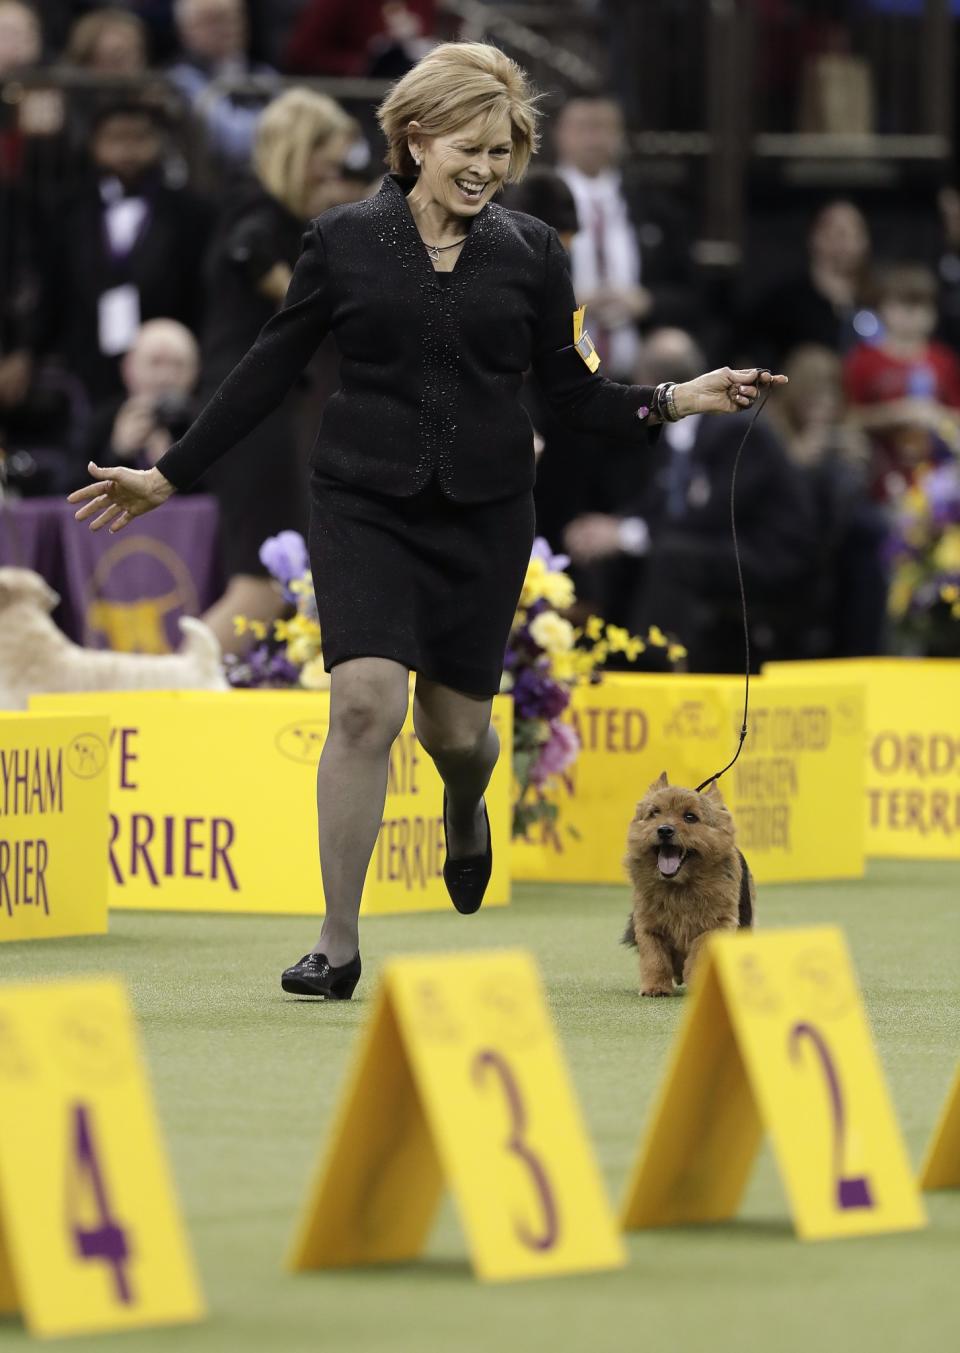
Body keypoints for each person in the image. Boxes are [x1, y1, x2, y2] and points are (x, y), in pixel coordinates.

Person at [69, 42, 784, 1001]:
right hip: (362, 502)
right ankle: (336, 942)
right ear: (417, 138)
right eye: (471, 148)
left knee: (458, 734)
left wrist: (681, 397)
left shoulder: (533, 252)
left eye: (505, 151)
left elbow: (577, 399)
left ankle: (464, 799)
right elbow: (267, 370)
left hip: (485, 516)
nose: (488, 168)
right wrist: (168, 473)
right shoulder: (341, 240)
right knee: (366, 704)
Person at [195, 87, 360, 656]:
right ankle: (167, 696)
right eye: (328, 158)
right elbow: (250, 255)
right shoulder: (254, 205)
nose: (334, 173)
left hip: (273, 410)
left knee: (280, 580)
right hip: (250, 414)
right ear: (300, 149)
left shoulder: (279, 213)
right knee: (261, 586)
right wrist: (316, 307)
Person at [563, 328, 813, 673]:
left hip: (764, 554)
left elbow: (713, 514)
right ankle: (605, 659)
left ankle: (653, 666)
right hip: (716, 543)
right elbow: (660, 502)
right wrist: (614, 528)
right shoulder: (675, 432)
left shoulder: (736, 427)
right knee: (617, 554)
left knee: (670, 555)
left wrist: (628, 534)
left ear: (644, 381)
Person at [39, 99, 213, 406]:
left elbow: (198, 290)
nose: (129, 150)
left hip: (163, 361)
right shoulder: (66, 210)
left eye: (140, 138)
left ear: (158, 143)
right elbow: (54, 285)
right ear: (94, 144)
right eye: (117, 138)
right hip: (84, 358)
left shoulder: (191, 212)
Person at [844, 262, 960, 503]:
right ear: (882, 307)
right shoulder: (863, 361)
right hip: (880, 475)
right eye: (901, 305)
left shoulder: (944, 361)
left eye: (919, 306)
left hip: (939, 477)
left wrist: (936, 415)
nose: (910, 316)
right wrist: (900, 413)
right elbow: (848, 417)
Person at [743, 199, 874, 366]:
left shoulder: (878, 299)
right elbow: (746, 353)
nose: (846, 243)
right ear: (815, 237)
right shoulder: (783, 301)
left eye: (855, 233)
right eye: (838, 233)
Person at [78, 318, 201, 488]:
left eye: (177, 364)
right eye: (155, 363)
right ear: (128, 368)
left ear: (195, 371)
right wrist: (117, 452)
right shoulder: (103, 420)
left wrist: (175, 466)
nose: (165, 377)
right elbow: (70, 489)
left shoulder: (206, 419)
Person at [167, 0, 278, 169]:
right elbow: (232, 142)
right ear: (186, 30)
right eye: (215, 20)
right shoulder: (180, 78)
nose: (228, 27)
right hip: (211, 182)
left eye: (235, 18)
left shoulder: (263, 72)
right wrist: (276, 133)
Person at [63, 7, 149, 73]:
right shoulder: (61, 93)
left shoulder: (154, 93)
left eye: (138, 52)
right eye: (118, 58)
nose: (134, 65)